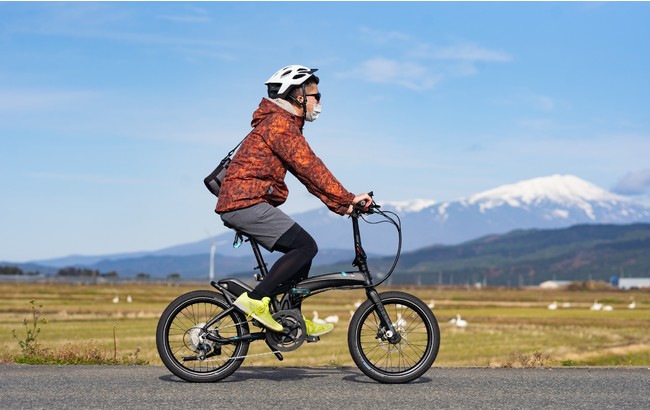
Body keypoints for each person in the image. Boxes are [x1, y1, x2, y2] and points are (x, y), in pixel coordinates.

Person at [215, 65, 371, 336]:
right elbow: (310, 167)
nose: (319, 102)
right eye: (316, 96)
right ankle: (255, 300)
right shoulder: (280, 125)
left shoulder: (281, 124)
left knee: (302, 252)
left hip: (246, 202)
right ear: (298, 96)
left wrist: (341, 205)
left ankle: (291, 316)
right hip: (245, 202)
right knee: (305, 246)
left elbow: (306, 176)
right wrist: (348, 198)